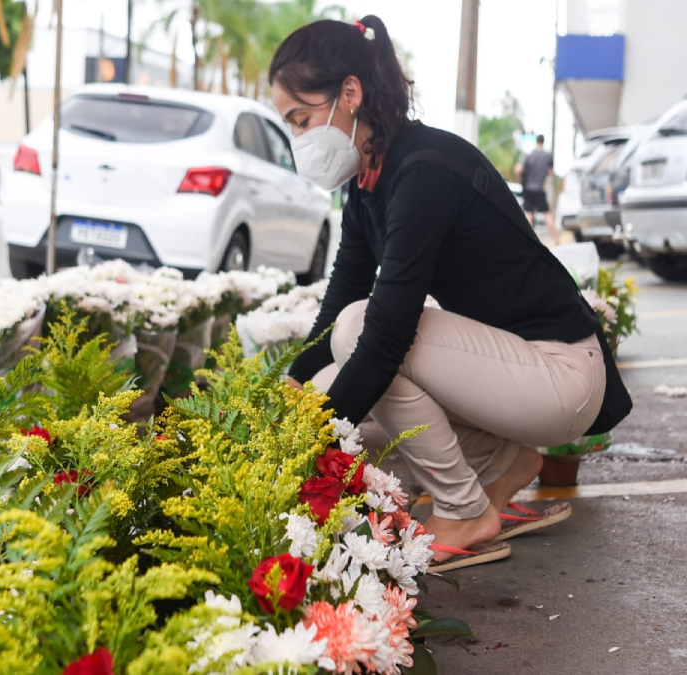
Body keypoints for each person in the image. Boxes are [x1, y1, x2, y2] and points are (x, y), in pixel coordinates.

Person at [269, 16, 631, 572]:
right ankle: (504, 468)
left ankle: (465, 509)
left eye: (302, 119)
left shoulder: (421, 172)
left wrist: (302, 448)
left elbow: (385, 335)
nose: (300, 139)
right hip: (520, 374)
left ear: (350, 93)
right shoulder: (369, 183)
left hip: (561, 374)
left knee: (361, 339)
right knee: (325, 379)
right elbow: (341, 296)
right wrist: (289, 386)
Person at [521, 135, 557, 241]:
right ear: (543, 142)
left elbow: (519, 169)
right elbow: (551, 173)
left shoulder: (529, 155)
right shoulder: (548, 156)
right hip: (539, 189)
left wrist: (522, 180)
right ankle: (557, 240)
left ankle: (526, 240)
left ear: (536, 142)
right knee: (548, 215)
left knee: (528, 215)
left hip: (528, 188)